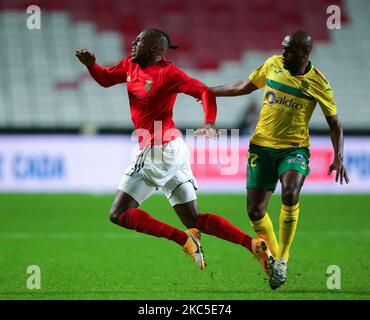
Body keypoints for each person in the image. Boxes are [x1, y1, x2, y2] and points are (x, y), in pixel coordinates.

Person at [75, 28, 274, 275]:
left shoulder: (168, 73)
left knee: (119, 213)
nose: (133, 43)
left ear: (156, 48)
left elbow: (203, 91)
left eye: (139, 41)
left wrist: (210, 122)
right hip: (173, 150)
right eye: (134, 39)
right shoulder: (130, 65)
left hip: (157, 151)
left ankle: (184, 240)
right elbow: (105, 79)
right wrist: (92, 65)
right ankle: (252, 244)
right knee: (194, 219)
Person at [209, 30, 349, 289]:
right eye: (283, 48)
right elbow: (245, 86)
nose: (283, 54)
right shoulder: (272, 64)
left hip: (293, 150)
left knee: (290, 192)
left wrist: (339, 157)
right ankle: (273, 259)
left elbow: (335, 124)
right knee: (255, 211)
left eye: (289, 50)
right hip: (261, 148)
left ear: (304, 54)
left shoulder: (319, 83)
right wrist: (209, 91)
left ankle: (283, 257)